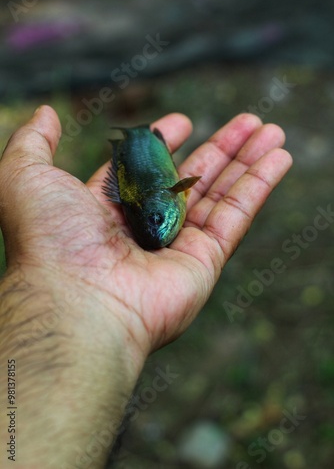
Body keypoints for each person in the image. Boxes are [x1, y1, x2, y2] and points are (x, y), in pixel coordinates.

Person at [0, 106, 292, 468]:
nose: (158, 228)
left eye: (154, 219)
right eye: (154, 219)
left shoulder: (166, 196)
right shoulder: (166, 198)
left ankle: (136, 135)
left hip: (140, 143)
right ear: (177, 191)